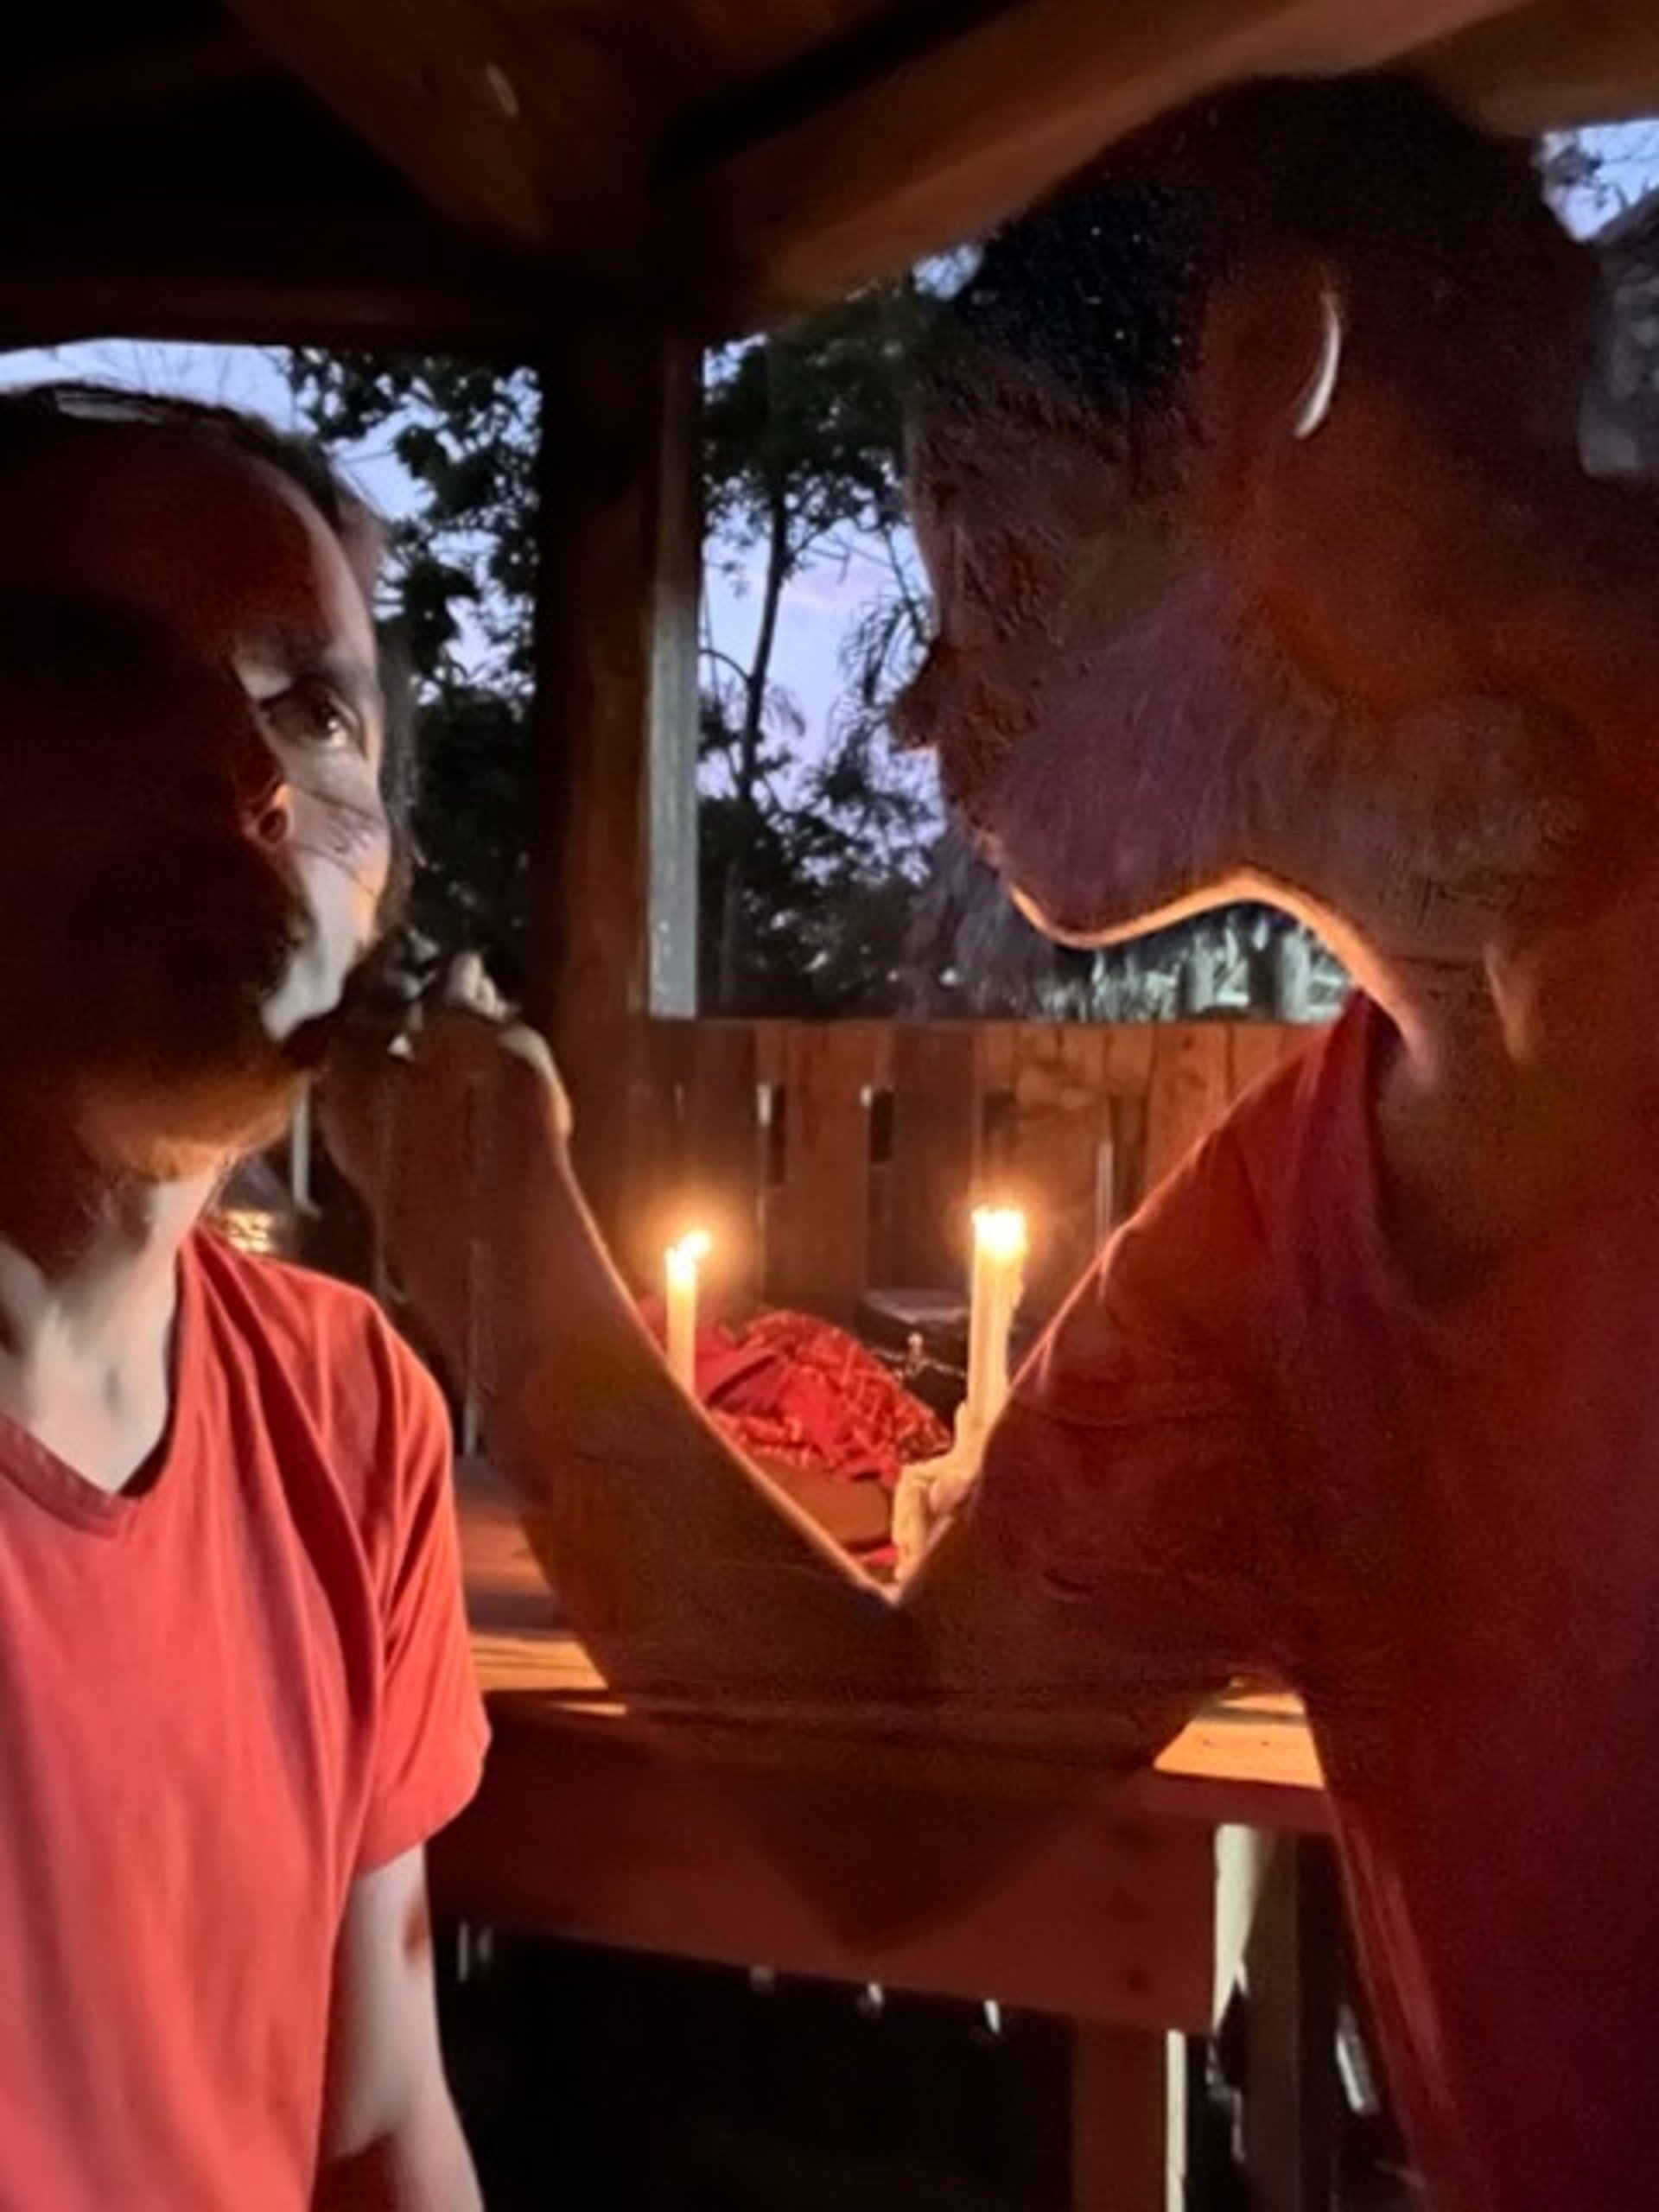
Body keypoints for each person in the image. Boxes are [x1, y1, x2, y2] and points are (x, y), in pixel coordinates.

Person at [326, 73, 1659, 2212]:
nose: (929, 705)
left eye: (984, 546)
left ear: (1259, 381)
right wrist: (507, 1247)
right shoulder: (1292, 1233)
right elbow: (899, 1787)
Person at [0, 385, 486, 2209]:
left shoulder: (354, 1411)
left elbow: (374, 2123)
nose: (247, 766)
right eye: (82, 669)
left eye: (315, 706)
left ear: (383, 899)